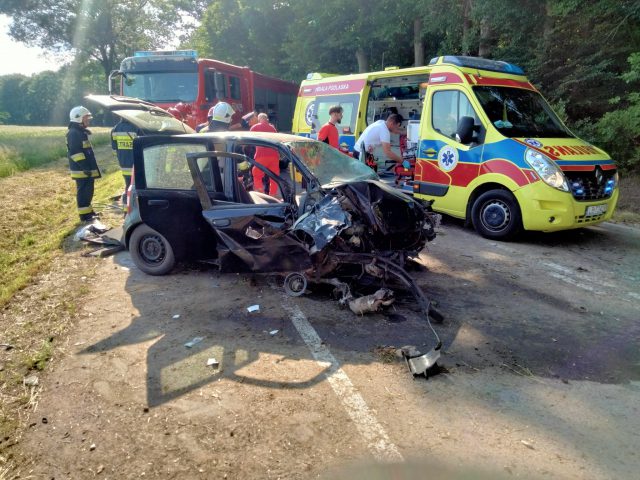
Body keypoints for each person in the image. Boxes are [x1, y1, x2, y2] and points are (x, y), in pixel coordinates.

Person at [66, 106, 100, 222]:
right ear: (78, 118)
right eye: (86, 118)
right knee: (84, 192)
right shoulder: (73, 133)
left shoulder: (79, 132)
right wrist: (85, 167)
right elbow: (75, 153)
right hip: (81, 170)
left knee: (88, 191)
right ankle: (84, 216)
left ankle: (89, 212)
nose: (88, 120)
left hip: (85, 169)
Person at [111, 118, 142, 204]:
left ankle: (126, 210)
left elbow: (114, 146)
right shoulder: (137, 128)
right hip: (136, 164)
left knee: (128, 185)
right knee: (136, 187)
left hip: (123, 163)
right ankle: (133, 208)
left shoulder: (115, 129)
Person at [249, 113, 279, 195]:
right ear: (267, 119)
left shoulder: (255, 127)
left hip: (261, 155)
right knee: (274, 177)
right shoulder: (272, 128)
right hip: (274, 156)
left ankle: (260, 194)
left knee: (257, 174)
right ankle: (273, 195)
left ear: (259, 119)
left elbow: (249, 140)